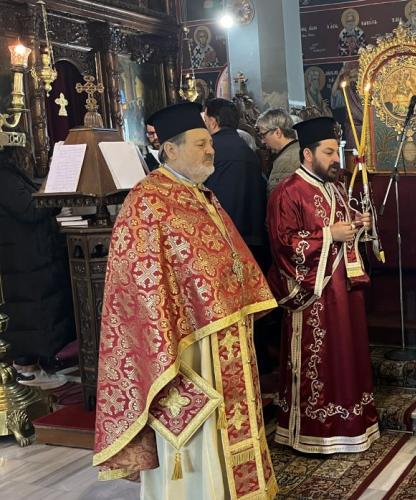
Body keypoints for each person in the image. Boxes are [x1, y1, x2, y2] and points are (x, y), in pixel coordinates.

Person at [92, 102, 278, 499]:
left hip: (224, 335)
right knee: (197, 434)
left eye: (209, 143)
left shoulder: (200, 194)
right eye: (200, 144)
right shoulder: (148, 201)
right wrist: (169, 337)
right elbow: (138, 285)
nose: (211, 151)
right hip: (185, 349)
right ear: (171, 149)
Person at [267, 116, 380, 453]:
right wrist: (329, 234)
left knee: (347, 355)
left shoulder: (336, 188)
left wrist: (359, 224)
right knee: (321, 359)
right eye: (328, 153)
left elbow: (344, 231)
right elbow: (283, 244)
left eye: (337, 152)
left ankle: (350, 423)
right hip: (315, 295)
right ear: (307, 154)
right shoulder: (288, 192)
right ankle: (315, 430)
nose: (336, 160)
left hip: (344, 294)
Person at [0, 147, 73, 388]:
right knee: (29, 315)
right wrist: (52, 183)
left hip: (32, 255)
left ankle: (40, 362)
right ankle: (27, 368)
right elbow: (29, 209)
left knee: (41, 312)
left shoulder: (11, 173)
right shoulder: (4, 175)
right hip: (21, 258)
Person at [203, 98, 268, 267]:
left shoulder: (209, 151)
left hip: (224, 236)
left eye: (205, 119)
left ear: (213, 121)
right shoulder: (249, 151)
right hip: (253, 237)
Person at [255, 108, 301, 195]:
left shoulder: (286, 161)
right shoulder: (298, 148)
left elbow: (277, 198)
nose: (262, 141)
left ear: (277, 132)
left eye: (263, 135)